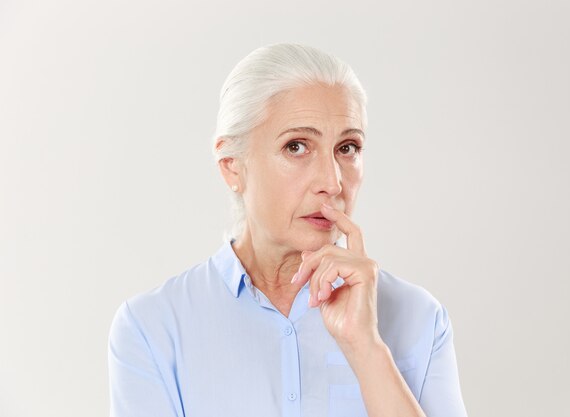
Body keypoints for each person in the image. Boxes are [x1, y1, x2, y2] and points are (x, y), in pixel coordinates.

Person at [108, 43, 468, 417]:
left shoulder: (419, 318)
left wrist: (366, 348)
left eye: (348, 147)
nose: (332, 181)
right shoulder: (152, 328)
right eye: (297, 146)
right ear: (232, 165)